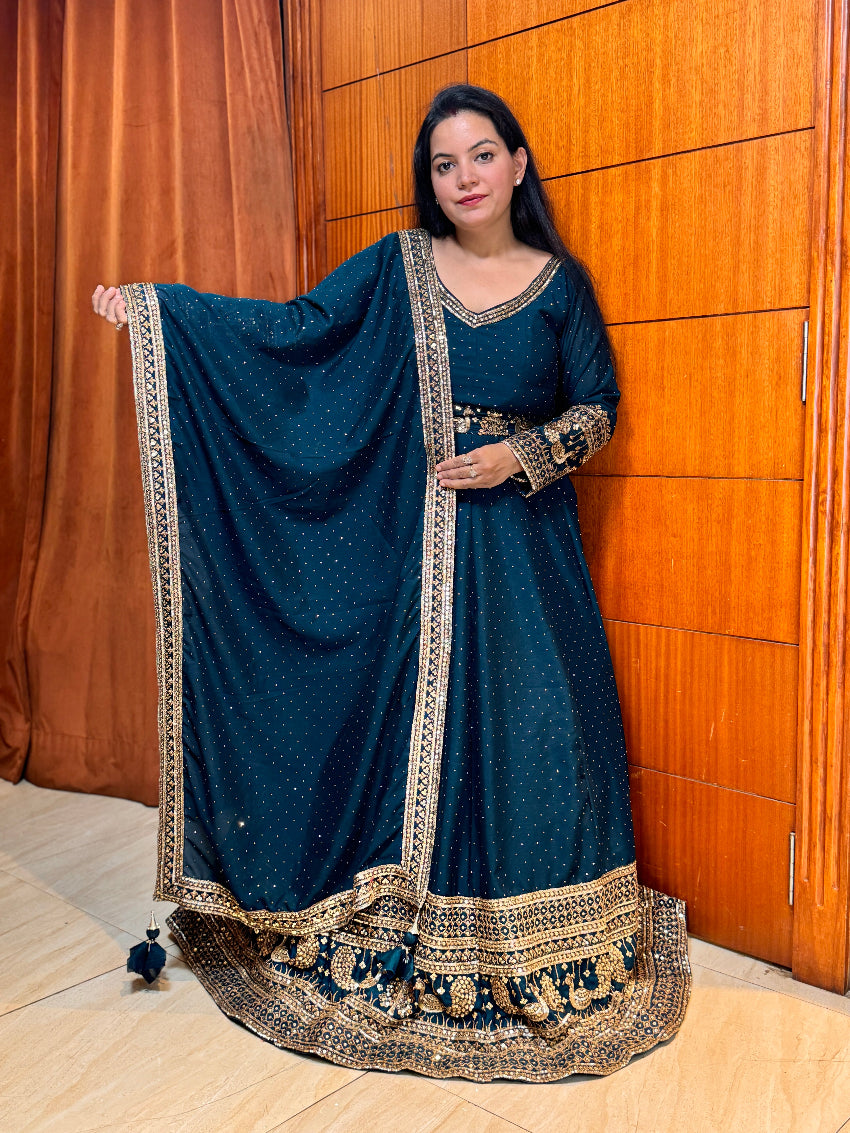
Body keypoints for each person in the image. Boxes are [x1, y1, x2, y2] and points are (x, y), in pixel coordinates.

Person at [92, 84, 690, 1082]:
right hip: (408, 547)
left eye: (481, 155)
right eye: (443, 164)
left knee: (536, 728)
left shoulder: (558, 283)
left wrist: (522, 455)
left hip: (526, 553)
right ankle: (395, 914)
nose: (463, 178)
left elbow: (599, 407)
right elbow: (290, 338)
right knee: (406, 728)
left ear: (518, 163)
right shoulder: (398, 269)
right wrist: (161, 319)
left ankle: (538, 939)